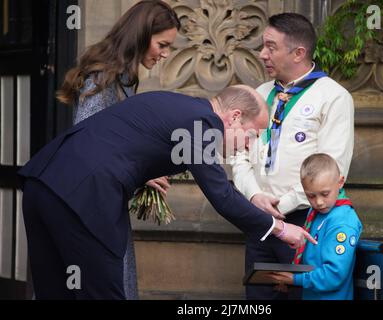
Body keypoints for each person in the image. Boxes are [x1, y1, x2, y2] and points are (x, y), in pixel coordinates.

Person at [18, 85, 317, 300]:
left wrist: (142, 171)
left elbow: (122, 141)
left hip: (43, 183)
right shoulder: (204, 122)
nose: (250, 145)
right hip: (83, 197)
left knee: (55, 290)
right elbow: (221, 194)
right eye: (252, 135)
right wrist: (277, 228)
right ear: (235, 117)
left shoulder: (179, 107)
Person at [56, 0, 180, 300]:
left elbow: (112, 146)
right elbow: (89, 149)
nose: (165, 54)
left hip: (104, 205)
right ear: (141, 34)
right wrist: (141, 172)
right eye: (162, 44)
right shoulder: (102, 76)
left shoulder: (124, 77)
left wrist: (144, 172)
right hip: (89, 208)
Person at [231, 13, 354, 299]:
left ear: (298, 53)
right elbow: (239, 155)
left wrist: (283, 205)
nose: (262, 54)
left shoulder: (333, 97)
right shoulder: (259, 95)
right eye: (263, 46)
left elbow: (332, 168)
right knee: (259, 297)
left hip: (306, 220)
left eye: (271, 47)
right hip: (260, 220)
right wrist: (253, 197)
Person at [267, 153, 363, 300]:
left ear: (340, 182)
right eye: (311, 196)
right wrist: (292, 281)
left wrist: (295, 279)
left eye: (325, 194)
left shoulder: (342, 222)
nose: (319, 202)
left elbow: (334, 275)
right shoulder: (317, 212)